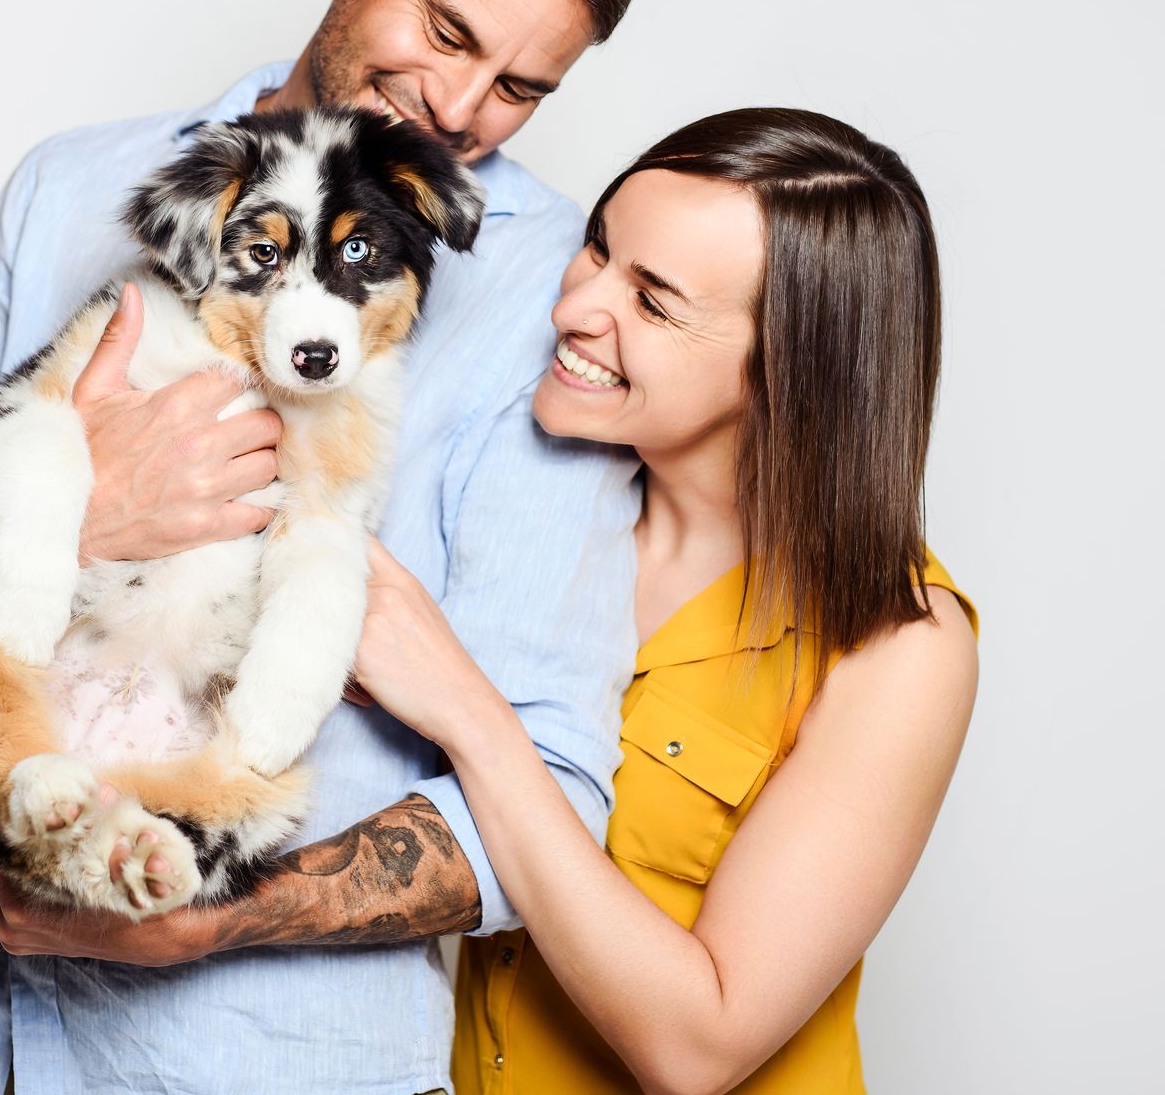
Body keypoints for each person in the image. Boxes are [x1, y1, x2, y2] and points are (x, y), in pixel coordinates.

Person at [0, 0, 649, 1095]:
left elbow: (554, 788)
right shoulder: (71, 190)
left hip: (255, 1060)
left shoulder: (555, 304)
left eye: (520, 87)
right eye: (447, 30)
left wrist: (216, 918)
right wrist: (75, 517)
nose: (458, 106)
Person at [348, 108, 980, 1094]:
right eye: (598, 247)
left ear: (787, 367)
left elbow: (700, 1047)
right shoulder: (540, 516)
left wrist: (469, 712)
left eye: (651, 301)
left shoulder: (903, 645)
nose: (574, 307)